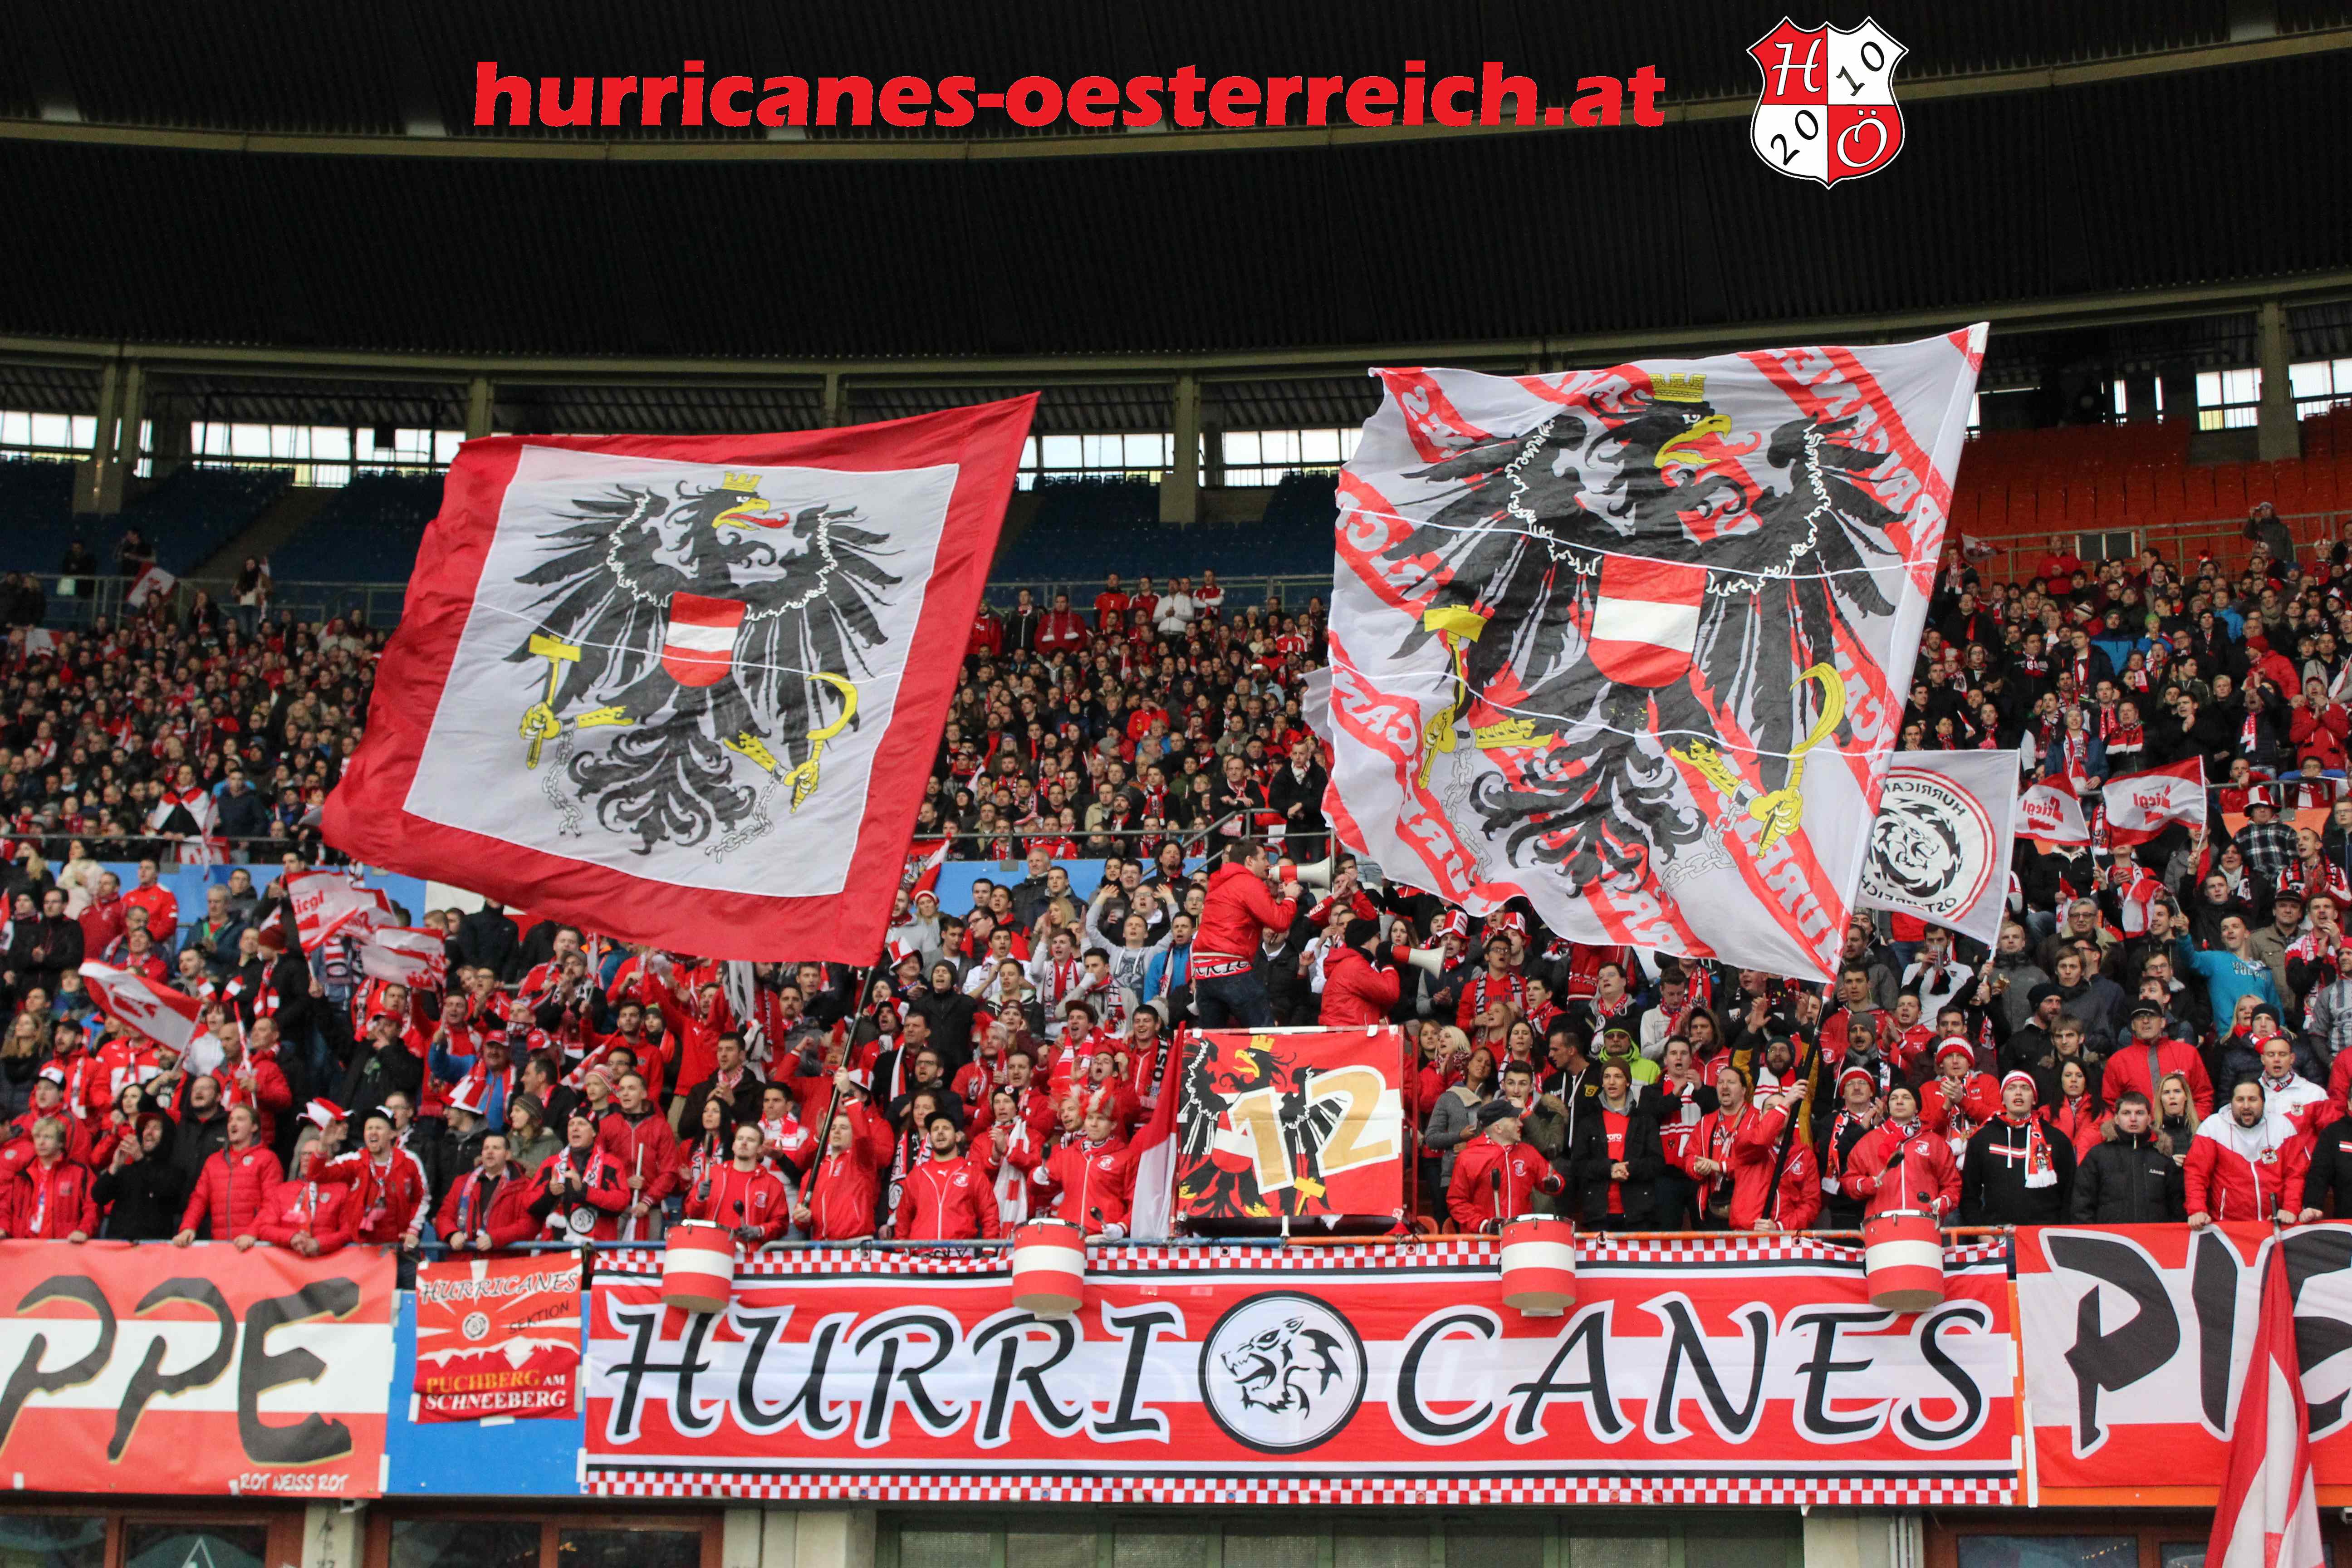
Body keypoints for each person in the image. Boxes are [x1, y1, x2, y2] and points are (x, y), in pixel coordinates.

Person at [1190, 841, 1300, 1028]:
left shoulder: (1219, 883)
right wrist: (1290, 898)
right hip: (1231, 968)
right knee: (1264, 1031)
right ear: (1249, 861)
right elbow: (1280, 922)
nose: (1268, 864)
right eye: (1264, 858)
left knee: (1214, 1038)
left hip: (1204, 973)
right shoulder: (1248, 883)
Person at [1016, 1092, 1138, 1237]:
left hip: (1105, 1239)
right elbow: (1037, 1190)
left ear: (1113, 1124)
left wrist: (1122, 1227)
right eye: (1090, 1118)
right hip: (1070, 1238)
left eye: (1101, 1119)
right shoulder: (1069, 1155)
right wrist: (1036, 1177)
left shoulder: (1127, 1157)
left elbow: (1138, 1202)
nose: (1093, 1124)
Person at [1961, 1073, 2075, 1225]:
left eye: (2025, 1088)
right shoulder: (1982, 1139)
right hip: (1996, 1233)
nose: (2018, 1093)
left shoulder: (2057, 1140)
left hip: (2042, 1234)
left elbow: (2069, 1195)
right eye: (2011, 1088)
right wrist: (1981, 1232)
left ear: (2034, 1099)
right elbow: (1969, 1196)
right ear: (2002, 1099)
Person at [2186, 1079, 2304, 1227]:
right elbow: (2197, 1174)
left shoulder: (2283, 1126)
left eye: (2252, 1099)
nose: (2246, 1106)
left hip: (2275, 1224)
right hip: (2227, 1226)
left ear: (2263, 1102)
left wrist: (2290, 1208)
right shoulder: (2212, 1127)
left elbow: (2296, 1174)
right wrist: (2197, 1210)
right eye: (2240, 1100)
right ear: (2231, 1102)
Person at [1563, 1059, 1661, 1229]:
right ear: (1602, 1082)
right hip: (1598, 1213)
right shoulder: (1589, 1122)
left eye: (1618, 1076)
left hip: (1638, 1213)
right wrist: (1610, 1169)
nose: (1612, 1082)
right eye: (1607, 1077)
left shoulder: (1644, 1121)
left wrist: (1629, 1169)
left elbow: (1657, 1163)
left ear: (1628, 1082)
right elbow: (1578, 1166)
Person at [1843, 1086, 1961, 1220]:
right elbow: (1849, 1180)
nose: (1899, 1102)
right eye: (1894, 1098)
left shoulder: (1934, 1142)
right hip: (1882, 1224)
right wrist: (1866, 1185)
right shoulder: (1870, 1141)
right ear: (1888, 1107)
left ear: (1917, 1108)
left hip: (1924, 1223)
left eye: (1906, 1098)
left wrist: (1944, 1202)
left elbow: (1952, 1184)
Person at [1448, 1097, 1564, 1232]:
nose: (1521, 1124)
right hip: (1484, 1240)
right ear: (1498, 1128)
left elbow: (1554, 1179)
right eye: (1514, 1120)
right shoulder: (1469, 1158)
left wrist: (1554, 1184)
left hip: (1521, 1237)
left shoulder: (1528, 1152)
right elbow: (1457, 1202)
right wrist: (1484, 1225)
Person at [172, 1103, 282, 1247]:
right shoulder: (213, 1161)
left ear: (254, 1127)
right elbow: (199, 1199)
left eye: (240, 1119)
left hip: (254, 1247)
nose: (233, 1124)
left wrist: (252, 1233)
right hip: (221, 1246)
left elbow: (272, 1203)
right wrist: (188, 1227)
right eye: (231, 1120)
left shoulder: (267, 1159)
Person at [2071, 1092, 2187, 1223]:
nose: (2133, 1119)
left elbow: (2178, 1209)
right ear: (2116, 1119)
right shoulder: (2098, 1156)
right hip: (2109, 1236)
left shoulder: (2162, 1158)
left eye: (2140, 1113)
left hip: (2154, 1236)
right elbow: (2082, 1205)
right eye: (2126, 1113)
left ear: (2149, 1119)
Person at [895, 1110, 1000, 1240]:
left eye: (946, 1128)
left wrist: (989, 1249)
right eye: (935, 1129)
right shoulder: (917, 1175)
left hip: (961, 1251)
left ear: (958, 1137)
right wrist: (902, 1249)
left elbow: (990, 1214)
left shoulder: (973, 1173)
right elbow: (903, 1219)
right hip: (922, 1252)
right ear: (930, 1138)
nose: (940, 1132)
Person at [684, 1123, 791, 1245]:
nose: (744, 1143)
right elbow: (690, 1213)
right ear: (733, 1145)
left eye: (750, 1140)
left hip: (749, 1253)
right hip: (711, 1248)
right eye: (740, 1139)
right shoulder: (713, 1174)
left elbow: (781, 1224)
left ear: (760, 1149)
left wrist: (760, 1231)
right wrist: (699, 1198)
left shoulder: (772, 1184)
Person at [436, 1131, 542, 1253]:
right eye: (486, 1148)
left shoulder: (523, 1185)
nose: (490, 1152)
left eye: (496, 1148)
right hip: (464, 1258)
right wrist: (452, 1234)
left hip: (503, 1260)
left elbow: (529, 1224)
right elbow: (444, 1216)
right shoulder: (461, 1183)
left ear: (507, 1155)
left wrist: (495, 1238)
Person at [536, 1109, 632, 1242]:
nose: (575, 1128)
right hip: (557, 1245)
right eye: (571, 1124)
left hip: (597, 1246)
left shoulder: (611, 1164)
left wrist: (584, 1191)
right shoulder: (551, 1164)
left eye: (581, 1124)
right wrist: (549, 1193)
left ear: (594, 1132)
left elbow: (621, 1202)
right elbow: (528, 1203)